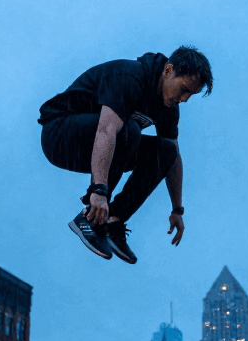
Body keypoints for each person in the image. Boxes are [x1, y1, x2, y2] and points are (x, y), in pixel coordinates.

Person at [38, 46, 213, 263]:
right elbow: (106, 130)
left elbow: (173, 158)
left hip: (100, 148)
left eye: (190, 95)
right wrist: (99, 192)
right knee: (128, 129)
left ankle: (113, 220)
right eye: (184, 89)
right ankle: (90, 218)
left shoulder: (169, 106)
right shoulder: (130, 77)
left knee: (166, 150)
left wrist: (177, 209)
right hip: (59, 136)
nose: (184, 99)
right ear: (168, 71)